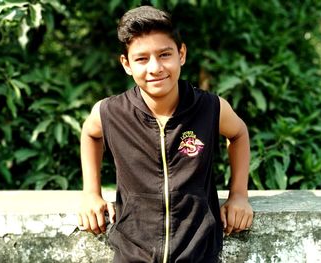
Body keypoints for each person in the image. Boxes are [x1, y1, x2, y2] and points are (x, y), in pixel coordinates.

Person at [78, 5, 253, 263]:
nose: (155, 67)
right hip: (131, 252)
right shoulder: (111, 111)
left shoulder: (210, 107)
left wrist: (239, 194)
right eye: (141, 59)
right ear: (126, 64)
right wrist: (91, 193)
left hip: (199, 252)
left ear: (181, 54)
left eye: (164, 55)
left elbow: (239, 134)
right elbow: (90, 134)